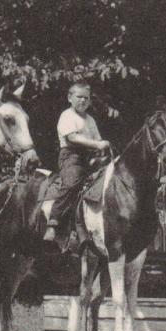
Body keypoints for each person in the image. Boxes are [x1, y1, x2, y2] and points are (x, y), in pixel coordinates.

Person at [44, 82, 111, 242]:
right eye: (79, 97)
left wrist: (102, 148)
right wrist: (97, 144)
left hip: (90, 157)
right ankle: (54, 222)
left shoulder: (90, 120)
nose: (83, 101)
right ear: (70, 98)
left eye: (86, 98)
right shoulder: (67, 115)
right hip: (71, 155)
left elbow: (98, 139)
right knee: (72, 182)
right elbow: (72, 138)